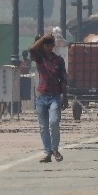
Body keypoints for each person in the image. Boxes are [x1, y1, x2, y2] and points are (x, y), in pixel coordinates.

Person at [29, 33, 68, 163]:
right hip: (41, 97)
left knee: (54, 122)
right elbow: (32, 49)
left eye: (51, 45)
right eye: (47, 45)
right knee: (43, 126)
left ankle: (55, 149)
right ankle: (47, 152)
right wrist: (42, 38)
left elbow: (63, 80)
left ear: (53, 46)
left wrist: (65, 97)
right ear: (43, 45)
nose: (49, 47)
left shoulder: (59, 60)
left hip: (55, 96)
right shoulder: (40, 58)